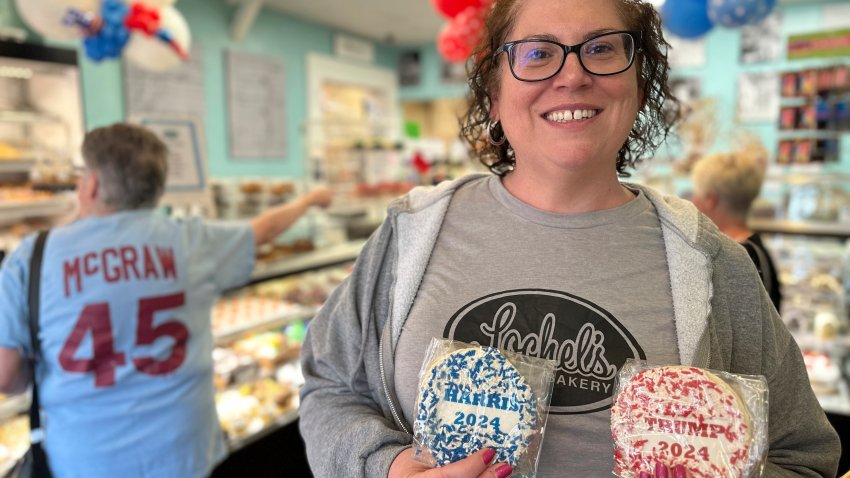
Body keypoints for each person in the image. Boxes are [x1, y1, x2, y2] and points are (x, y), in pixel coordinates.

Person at [299, 0, 840, 477]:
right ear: (494, 93)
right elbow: (330, 387)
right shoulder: (411, 232)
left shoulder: (714, 263)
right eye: (537, 53)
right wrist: (387, 468)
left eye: (601, 48)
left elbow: (805, 455)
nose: (573, 75)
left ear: (639, 82)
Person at [0, 122, 333, 477]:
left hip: (85, 460)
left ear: (92, 184)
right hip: (184, 454)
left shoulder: (31, 257)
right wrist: (309, 200)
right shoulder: (191, 241)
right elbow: (263, 230)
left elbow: (6, 376)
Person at [690, 149, 783, 312]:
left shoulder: (731, 257)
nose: (693, 201)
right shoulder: (755, 250)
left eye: (697, 194)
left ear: (710, 200)